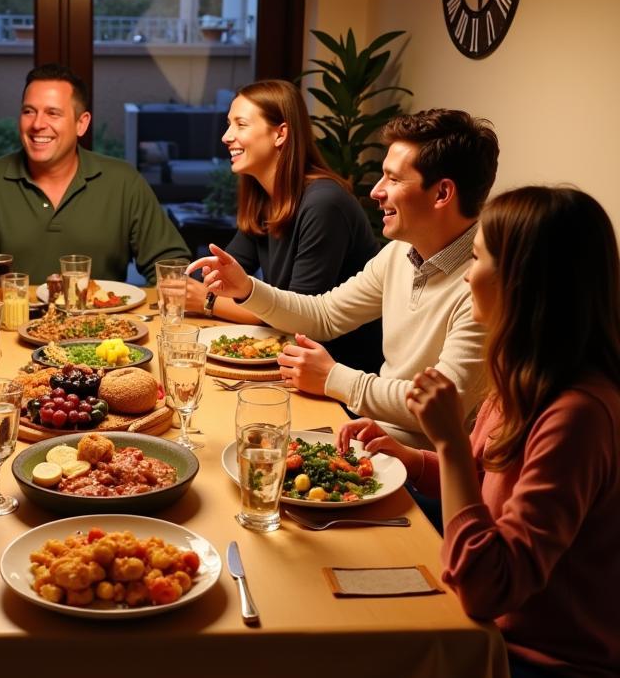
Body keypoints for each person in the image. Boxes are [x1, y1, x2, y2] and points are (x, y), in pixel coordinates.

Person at [340, 187, 620, 678]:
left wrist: (445, 441)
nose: (467, 276)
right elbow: (481, 480)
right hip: (486, 632)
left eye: (479, 258)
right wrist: (412, 459)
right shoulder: (522, 377)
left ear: (526, 281)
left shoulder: (578, 415)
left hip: (552, 677)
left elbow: (489, 587)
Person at [190, 108, 499, 448]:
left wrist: (334, 378)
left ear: (442, 194)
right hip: (370, 436)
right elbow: (325, 315)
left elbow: (444, 405)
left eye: (394, 180)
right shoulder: (400, 253)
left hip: (424, 468)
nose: (376, 191)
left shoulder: (483, 283)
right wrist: (248, 289)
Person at [186, 79, 382, 374]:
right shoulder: (264, 198)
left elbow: (296, 315)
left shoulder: (324, 203)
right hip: (286, 361)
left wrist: (206, 302)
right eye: (229, 124)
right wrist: (210, 292)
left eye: (241, 125)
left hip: (341, 375)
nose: (227, 136)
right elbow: (223, 279)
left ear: (280, 134)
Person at [0, 64, 189, 284]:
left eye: (53, 113)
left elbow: (171, 265)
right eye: (29, 111)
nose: (37, 124)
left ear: (81, 124)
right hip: (8, 330)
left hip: (101, 331)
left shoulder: (123, 181)